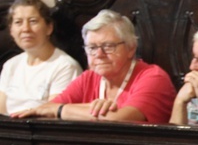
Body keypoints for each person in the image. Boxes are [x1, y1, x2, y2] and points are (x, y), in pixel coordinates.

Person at [13, 9, 176, 123]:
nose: (99, 54)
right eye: (92, 48)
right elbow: (47, 110)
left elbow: (119, 120)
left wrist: (63, 111)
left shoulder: (153, 77)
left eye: (108, 46)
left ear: (131, 48)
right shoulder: (89, 77)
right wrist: (91, 108)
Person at [0, 0, 82, 114]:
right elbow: (1, 113)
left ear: (49, 27)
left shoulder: (65, 66)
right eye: (18, 22)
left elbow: (52, 114)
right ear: (11, 31)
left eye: (33, 21)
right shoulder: (11, 65)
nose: (25, 29)